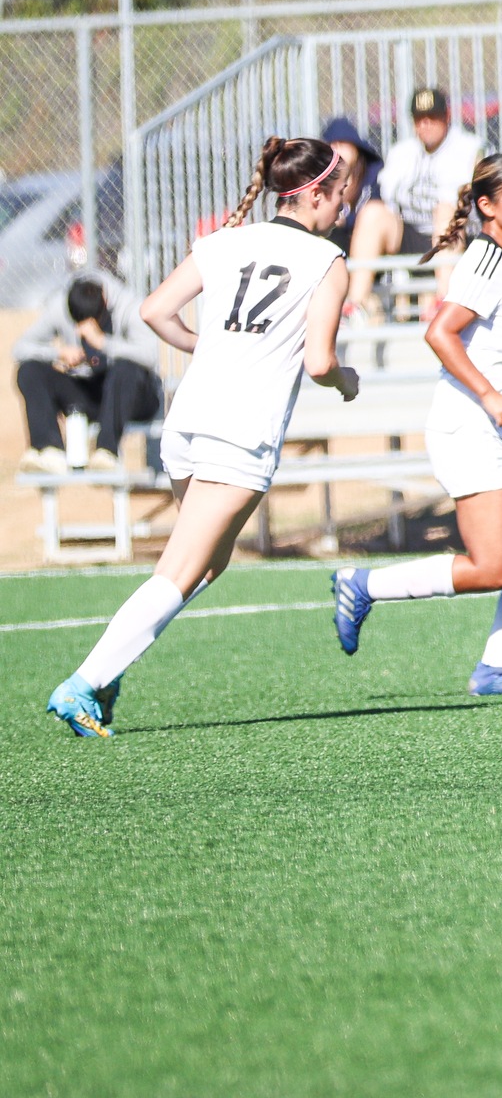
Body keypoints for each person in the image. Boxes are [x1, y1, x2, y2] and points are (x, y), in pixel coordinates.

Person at [44, 138, 361, 736]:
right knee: (181, 569)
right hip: (240, 435)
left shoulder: (225, 241)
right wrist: (347, 382)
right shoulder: (328, 263)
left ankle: (105, 676)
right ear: (315, 193)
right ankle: (83, 683)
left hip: (188, 423)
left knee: (205, 565)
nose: (345, 206)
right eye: (341, 194)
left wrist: (206, 345)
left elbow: (155, 310)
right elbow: (320, 363)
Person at [328, 154, 502, 697]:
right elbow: (441, 334)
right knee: (492, 566)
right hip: (468, 426)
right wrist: (491, 397)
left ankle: (495, 670)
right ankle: (363, 583)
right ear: (488, 206)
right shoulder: (485, 263)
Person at [348, 88, 482, 316]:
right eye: (420, 119)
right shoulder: (402, 153)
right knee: (373, 212)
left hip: (459, 237)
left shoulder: (469, 148)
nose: (426, 125)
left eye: (433, 118)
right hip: (412, 234)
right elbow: (386, 199)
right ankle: (355, 304)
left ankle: (444, 302)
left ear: (446, 117)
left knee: (445, 211)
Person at [15, 272, 163, 474]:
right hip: (89, 392)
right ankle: (48, 450)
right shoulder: (59, 305)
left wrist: (104, 343)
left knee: (126, 367)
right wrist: (58, 352)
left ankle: (106, 451)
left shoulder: (127, 305)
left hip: (133, 396)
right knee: (29, 370)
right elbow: (20, 348)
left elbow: (150, 354)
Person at [318, 117, 383, 256]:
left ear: (356, 148)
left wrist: (346, 220)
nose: (337, 149)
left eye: (342, 143)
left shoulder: (373, 177)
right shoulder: (319, 184)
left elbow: (375, 212)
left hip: (368, 247)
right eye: (332, 144)